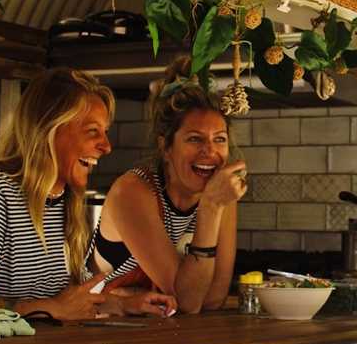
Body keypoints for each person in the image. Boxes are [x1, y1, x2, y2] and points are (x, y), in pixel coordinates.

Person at [0, 68, 176, 324]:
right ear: (49, 128)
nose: (106, 146)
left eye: (105, 131)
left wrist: (121, 305)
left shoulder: (62, 201)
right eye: (92, 131)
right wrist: (53, 308)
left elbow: (64, 303)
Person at [87, 58, 247, 313]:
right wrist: (211, 208)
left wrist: (213, 205)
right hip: (101, 331)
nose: (210, 151)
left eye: (220, 139)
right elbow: (189, 302)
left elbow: (215, 297)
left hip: (163, 329)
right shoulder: (133, 191)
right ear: (166, 147)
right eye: (195, 139)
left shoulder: (220, 196)